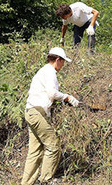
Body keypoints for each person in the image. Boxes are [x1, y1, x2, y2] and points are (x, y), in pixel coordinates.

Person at [21, 47, 80, 185]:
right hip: (37, 113)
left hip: (31, 112)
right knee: (54, 146)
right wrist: (68, 97)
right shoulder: (49, 72)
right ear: (57, 60)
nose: (63, 65)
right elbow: (52, 93)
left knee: (34, 151)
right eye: (63, 62)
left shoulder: (43, 71)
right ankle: (45, 181)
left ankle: (26, 183)